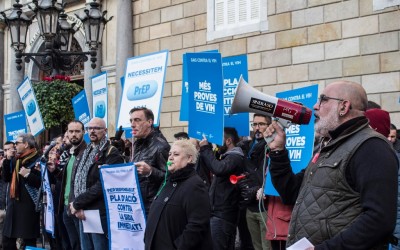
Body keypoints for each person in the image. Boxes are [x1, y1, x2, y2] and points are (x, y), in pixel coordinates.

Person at [265, 80, 398, 249]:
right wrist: (277, 152)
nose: (315, 106)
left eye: (323, 99)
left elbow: (379, 221)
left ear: (343, 107)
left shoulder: (371, 147)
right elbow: (291, 192)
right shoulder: (328, 146)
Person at [144, 139, 213, 250]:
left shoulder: (195, 185)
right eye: (170, 154)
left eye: (176, 154)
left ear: (189, 158)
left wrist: (178, 247)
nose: (170, 157)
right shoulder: (168, 181)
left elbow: (197, 226)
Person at [69, 118, 124, 250]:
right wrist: (75, 204)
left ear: (105, 131)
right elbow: (75, 179)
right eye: (90, 128)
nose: (92, 131)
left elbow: (103, 184)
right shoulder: (86, 151)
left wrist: (78, 203)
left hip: (99, 212)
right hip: (82, 210)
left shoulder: (111, 152)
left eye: (97, 128)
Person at [199, 127, 245, 250]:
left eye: (219, 140)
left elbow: (218, 168)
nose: (216, 144)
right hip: (220, 213)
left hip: (223, 214)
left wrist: (205, 148)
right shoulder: (226, 156)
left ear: (228, 141)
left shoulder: (235, 157)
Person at [237, 113, 272, 250]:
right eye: (255, 124)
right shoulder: (247, 146)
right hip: (250, 205)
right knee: (256, 246)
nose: (257, 128)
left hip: (266, 206)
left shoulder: (272, 145)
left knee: (267, 247)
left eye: (261, 124)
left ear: (269, 126)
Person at [2, 133, 41, 249]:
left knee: (28, 242)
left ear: (26, 144)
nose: (15, 146)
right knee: (7, 240)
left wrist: (28, 175)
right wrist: (7, 160)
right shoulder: (16, 159)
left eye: (17, 143)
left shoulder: (37, 159)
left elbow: (41, 183)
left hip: (28, 206)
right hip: (14, 204)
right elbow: (6, 178)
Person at [129, 107, 170, 215]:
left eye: (137, 120)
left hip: (152, 208)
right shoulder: (136, 144)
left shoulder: (161, 146)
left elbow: (170, 177)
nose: (132, 124)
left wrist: (151, 171)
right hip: (136, 205)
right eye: (131, 120)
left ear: (149, 122)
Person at [59, 120, 87, 250]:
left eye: (77, 131)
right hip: (66, 206)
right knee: (72, 244)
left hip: (78, 206)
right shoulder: (70, 153)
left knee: (81, 245)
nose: (74, 134)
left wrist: (79, 204)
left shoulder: (86, 153)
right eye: (71, 131)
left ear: (83, 132)